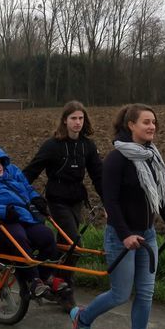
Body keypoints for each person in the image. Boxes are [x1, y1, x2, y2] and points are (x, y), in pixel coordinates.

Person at [70, 103, 165, 329]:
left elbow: (159, 197)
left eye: (154, 122)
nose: (152, 127)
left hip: (147, 235)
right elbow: (111, 202)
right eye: (146, 122)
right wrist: (125, 235)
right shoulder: (116, 159)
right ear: (131, 126)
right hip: (120, 236)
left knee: (146, 293)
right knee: (120, 294)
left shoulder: (151, 156)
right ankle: (84, 318)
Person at [23, 100, 103, 311]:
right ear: (65, 121)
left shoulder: (88, 146)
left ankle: (49, 280)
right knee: (73, 244)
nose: (77, 122)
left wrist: (110, 201)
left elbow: (99, 176)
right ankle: (63, 290)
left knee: (63, 246)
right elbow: (31, 171)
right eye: (73, 118)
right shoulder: (52, 145)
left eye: (80, 118)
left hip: (76, 200)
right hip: (57, 200)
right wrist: (17, 191)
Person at [0, 143, 68, 299]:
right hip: (0, 221)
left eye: (0, 162)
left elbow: (27, 188)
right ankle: (33, 280)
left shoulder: (12, 171)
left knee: (47, 236)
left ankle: (45, 276)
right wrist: (2, 211)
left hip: (22, 217)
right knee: (19, 238)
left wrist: (36, 199)